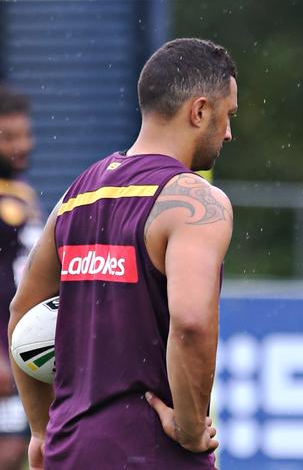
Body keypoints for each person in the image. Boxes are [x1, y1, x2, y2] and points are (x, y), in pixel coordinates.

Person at [8, 38, 237, 469]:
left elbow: (22, 310)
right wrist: (190, 429)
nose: (228, 132)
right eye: (227, 116)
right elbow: (190, 323)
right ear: (199, 111)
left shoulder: (78, 194)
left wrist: (40, 433)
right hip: (149, 452)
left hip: (69, 450)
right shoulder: (195, 202)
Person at [0, 85, 41, 470]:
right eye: (9, 137)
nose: (22, 144)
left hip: (19, 352)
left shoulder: (22, 193)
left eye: (25, 134)